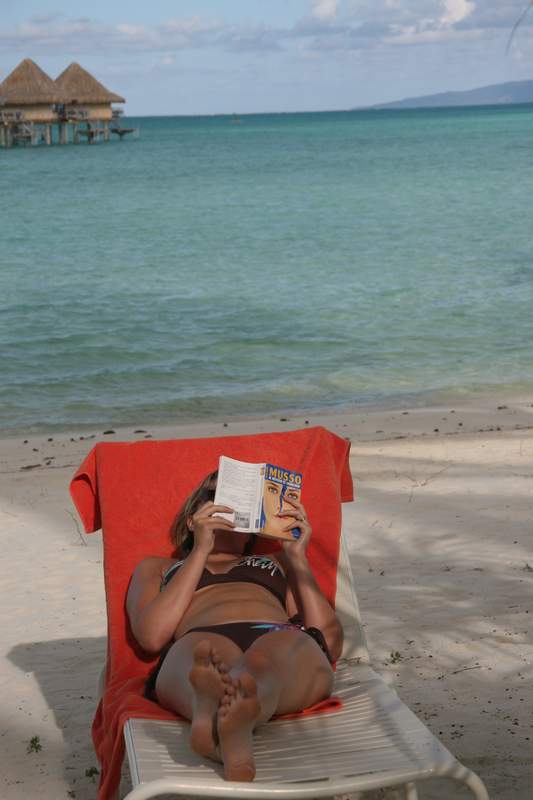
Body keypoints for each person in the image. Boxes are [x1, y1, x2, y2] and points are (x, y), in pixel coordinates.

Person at [126, 470, 343, 782]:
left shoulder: (279, 561)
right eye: (215, 496)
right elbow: (152, 636)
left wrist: (297, 557)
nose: (228, 505)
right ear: (192, 520)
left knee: (263, 662)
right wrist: (200, 551)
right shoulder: (158, 567)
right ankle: (222, 713)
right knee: (203, 656)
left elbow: (330, 642)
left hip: (275, 633)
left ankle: (216, 719)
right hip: (200, 639)